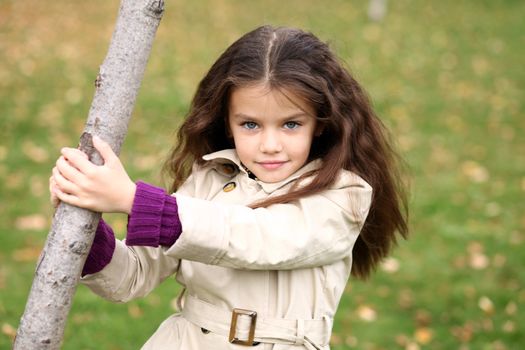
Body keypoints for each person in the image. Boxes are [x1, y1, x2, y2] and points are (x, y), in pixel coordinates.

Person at [50, 25, 408, 350]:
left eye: (291, 124)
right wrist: (84, 222)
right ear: (227, 121)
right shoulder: (209, 180)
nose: (270, 144)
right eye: (251, 124)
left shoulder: (341, 195)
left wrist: (134, 200)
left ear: (320, 122)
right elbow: (132, 276)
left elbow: (261, 238)